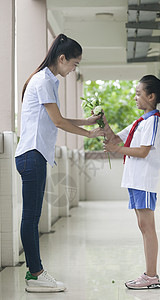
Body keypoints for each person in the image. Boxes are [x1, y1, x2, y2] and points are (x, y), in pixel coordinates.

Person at [15, 33, 103, 293]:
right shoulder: (43, 81)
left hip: (35, 154)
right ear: (62, 58)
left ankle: (36, 273)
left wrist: (87, 123)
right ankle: (35, 274)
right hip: (31, 154)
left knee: (32, 217)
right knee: (30, 217)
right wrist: (88, 135)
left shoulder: (49, 81)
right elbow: (58, 122)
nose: (75, 68)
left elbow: (59, 117)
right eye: (74, 63)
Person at [103, 75, 160, 290]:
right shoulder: (141, 121)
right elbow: (116, 138)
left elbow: (143, 151)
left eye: (138, 93)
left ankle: (151, 276)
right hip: (135, 181)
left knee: (147, 227)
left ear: (151, 96)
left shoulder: (153, 121)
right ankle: (149, 274)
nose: (135, 97)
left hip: (143, 181)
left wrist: (117, 150)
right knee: (143, 226)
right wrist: (103, 122)